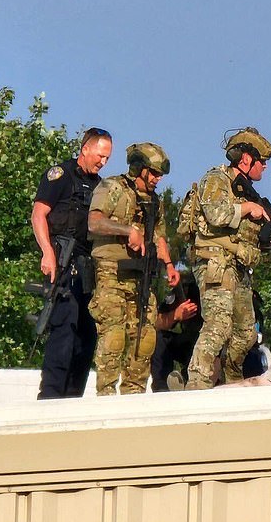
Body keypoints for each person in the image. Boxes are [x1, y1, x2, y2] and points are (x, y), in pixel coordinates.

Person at [184, 127, 271, 390]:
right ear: (246, 159)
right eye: (264, 162)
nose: (266, 168)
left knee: (247, 333)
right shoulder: (217, 179)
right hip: (215, 261)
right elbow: (216, 215)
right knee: (218, 326)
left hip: (238, 266)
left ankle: (232, 381)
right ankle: (196, 387)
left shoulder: (246, 191)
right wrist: (249, 208)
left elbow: (252, 234)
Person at [88, 142, 180, 395]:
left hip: (142, 275)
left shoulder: (154, 201)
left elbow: (160, 237)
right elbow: (94, 223)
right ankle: (105, 396)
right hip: (112, 272)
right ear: (139, 168)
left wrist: (169, 266)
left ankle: (134, 398)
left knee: (144, 338)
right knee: (114, 337)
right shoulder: (112, 187)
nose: (158, 179)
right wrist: (128, 230)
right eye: (154, 173)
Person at [31, 127, 113, 399]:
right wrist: (47, 252)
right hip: (62, 261)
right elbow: (39, 214)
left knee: (88, 334)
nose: (102, 162)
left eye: (107, 158)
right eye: (100, 155)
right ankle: (51, 395)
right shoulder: (61, 175)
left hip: (88, 266)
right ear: (86, 149)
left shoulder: (102, 187)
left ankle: (73, 396)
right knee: (64, 328)